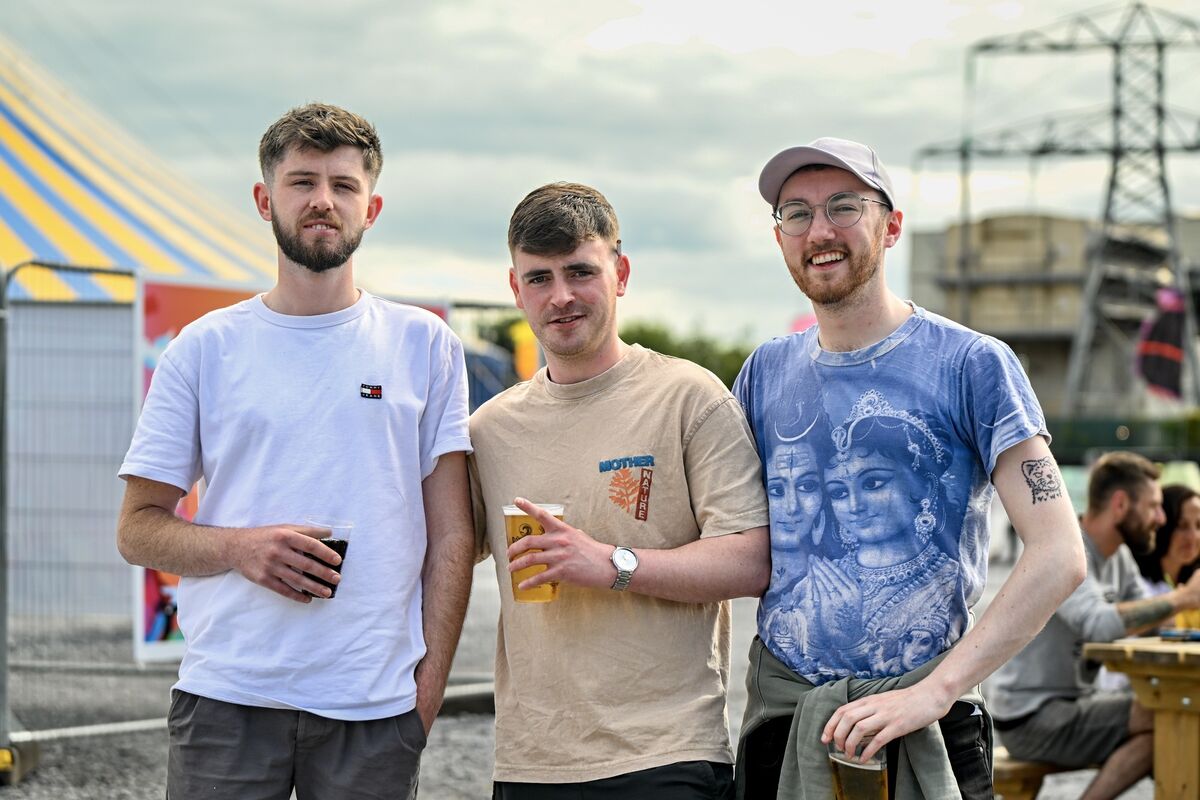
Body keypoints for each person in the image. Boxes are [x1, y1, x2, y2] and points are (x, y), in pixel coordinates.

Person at [116, 103, 474, 799]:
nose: (322, 200)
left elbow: (452, 534)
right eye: (302, 181)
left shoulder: (423, 344)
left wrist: (422, 701)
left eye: (343, 185)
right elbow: (137, 529)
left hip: (373, 710)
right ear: (263, 199)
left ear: (371, 208)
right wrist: (240, 548)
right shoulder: (202, 347)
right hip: (227, 700)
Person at [733, 137, 1086, 799]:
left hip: (924, 722)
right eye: (796, 213)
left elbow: (1059, 553)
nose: (820, 230)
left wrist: (935, 691)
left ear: (890, 226)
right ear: (779, 236)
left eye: (844, 206)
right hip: (786, 721)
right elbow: (729, 537)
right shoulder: (764, 373)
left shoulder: (973, 365)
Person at [468, 182, 771, 799]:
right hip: (531, 761)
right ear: (515, 288)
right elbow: (436, 556)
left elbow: (751, 559)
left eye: (581, 271)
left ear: (621, 272)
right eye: (539, 278)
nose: (561, 296)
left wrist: (612, 564)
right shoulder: (489, 429)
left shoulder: (689, 396)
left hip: (666, 754)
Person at [991, 452, 1200, 799]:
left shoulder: (1119, 555)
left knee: (1171, 723)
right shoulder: (1064, 552)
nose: (1161, 519)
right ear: (1120, 504)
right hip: (1031, 717)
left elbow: (1153, 624)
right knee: (1173, 713)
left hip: (1076, 706)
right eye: (1154, 507)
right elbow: (1099, 626)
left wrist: (1179, 614)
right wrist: (1182, 598)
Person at [1134, 483, 1200, 629]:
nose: (1193, 536)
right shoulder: (1136, 581)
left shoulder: (1192, 579)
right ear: (1162, 526)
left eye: (1199, 526)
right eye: (1182, 526)